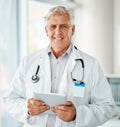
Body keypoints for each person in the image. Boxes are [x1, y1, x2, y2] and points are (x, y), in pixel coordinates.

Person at [3, 6, 116, 127]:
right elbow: (10, 100)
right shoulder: (29, 62)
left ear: (72, 30)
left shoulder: (91, 65)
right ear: (46, 30)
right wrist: (27, 108)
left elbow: (107, 107)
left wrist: (77, 114)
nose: (58, 31)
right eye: (53, 26)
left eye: (64, 26)